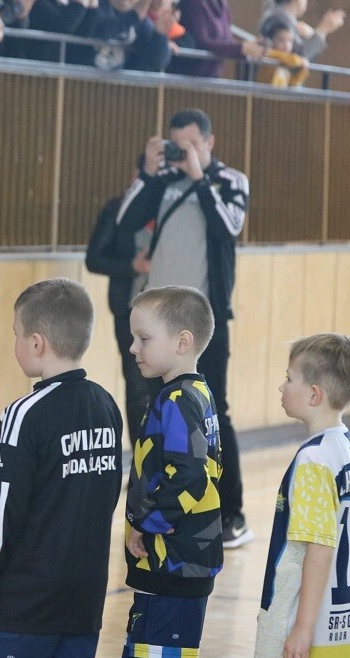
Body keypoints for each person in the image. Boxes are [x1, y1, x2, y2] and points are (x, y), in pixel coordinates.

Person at [0, 278, 123, 658]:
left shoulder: (23, 414)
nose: (15, 342)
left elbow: (3, 512)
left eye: (16, 333)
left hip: (24, 605)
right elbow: (107, 498)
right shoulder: (106, 405)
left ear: (36, 343)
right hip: (84, 603)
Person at [116, 107, 252, 549]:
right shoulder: (161, 181)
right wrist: (147, 171)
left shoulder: (229, 181)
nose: (182, 152)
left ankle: (231, 513)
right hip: (157, 325)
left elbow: (229, 227)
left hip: (204, 322)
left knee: (214, 411)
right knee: (156, 411)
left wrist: (199, 177)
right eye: (176, 145)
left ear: (209, 142)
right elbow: (124, 223)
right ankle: (156, 510)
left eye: (191, 144)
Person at [123, 286, 224, 658]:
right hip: (181, 560)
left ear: (183, 342)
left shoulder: (178, 400)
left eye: (144, 339)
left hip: (173, 562)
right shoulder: (196, 393)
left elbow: (190, 475)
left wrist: (146, 522)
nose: (133, 348)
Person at [254, 333, 350, 658]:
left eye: (289, 378)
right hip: (339, 622)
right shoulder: (344, 447)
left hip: (300, 622)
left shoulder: (314, 460)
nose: (282, 387)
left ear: (313, 394)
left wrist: (303, 627)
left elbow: (319, 547)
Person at [85, 165, 160, 447]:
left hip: (166, 314)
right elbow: (94, 259)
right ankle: (141, 458)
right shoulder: (117, 209)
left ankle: (166, 458)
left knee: (167, 388)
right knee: (137, 387)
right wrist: (132, 266)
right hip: (129, 311)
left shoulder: (170, 210)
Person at [166, 0, 267, 78]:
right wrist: (241, 48)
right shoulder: (193, 3)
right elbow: (202, 42)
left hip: (212, 78)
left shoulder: (222, 3)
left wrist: (248, 47)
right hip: (187, 78)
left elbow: (227, 40)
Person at [259, 0, 345, 62]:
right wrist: (323, 29)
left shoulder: (279, 16)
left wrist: (312, 35)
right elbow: (298, 59)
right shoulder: (279, 18)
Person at [258, 18, 311, 88]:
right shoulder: (268, 55)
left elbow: (290, 84)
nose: (286, 45)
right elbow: (294, 60)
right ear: (271, 40)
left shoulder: (284, 61)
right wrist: (300, 61)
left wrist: (302, 71)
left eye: (290, 41)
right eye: (281, 40)